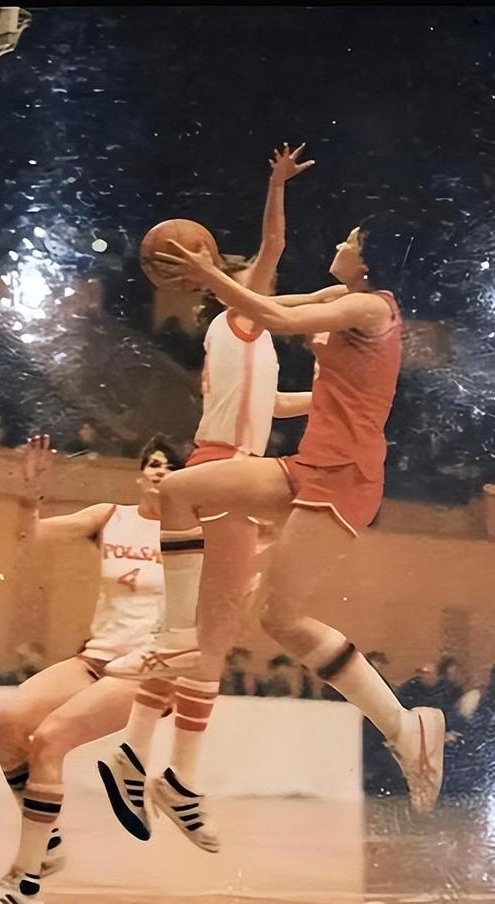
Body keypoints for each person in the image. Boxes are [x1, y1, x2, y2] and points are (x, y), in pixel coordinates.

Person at [144, 198, 445, 836]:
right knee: (180, 490)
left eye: (351, 238)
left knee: (279, 618)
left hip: (346, 475)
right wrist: (214, 279)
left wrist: (207, 271)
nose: (340, 243)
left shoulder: (373, 307)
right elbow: (266, 303)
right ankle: (177, 637)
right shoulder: (340, 294)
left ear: (369, 258)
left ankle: (403, 725)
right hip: (309, 464)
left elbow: (275, 317)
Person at [97, 143, 329, 852]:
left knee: (204, 639)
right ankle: (166, 771)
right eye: (251, 277)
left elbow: (276, 400)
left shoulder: (242, 334)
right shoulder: (239, 318)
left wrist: (335, 400)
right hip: (227, 472)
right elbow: (275, 248)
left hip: (228, 471)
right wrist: (276, 184)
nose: (264, 280)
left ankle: (145, 757)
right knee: (211, 639)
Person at [0, 432, 190, 904]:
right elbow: (33, 534)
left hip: (148, 672)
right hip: (95, 658)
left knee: (49, 741)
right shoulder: (110, 517)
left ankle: (23, 883)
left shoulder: (193, 534)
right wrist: (29, 498)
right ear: (140, 474)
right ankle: (45, 845)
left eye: (171, 466)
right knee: (6, 722)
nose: (160, 471)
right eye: (153, 463)